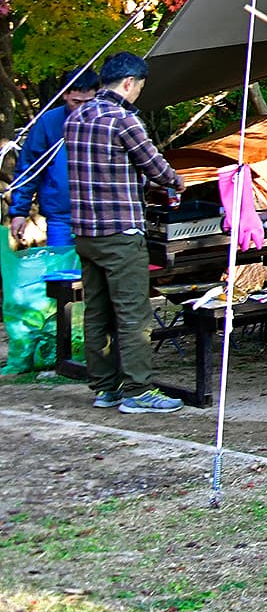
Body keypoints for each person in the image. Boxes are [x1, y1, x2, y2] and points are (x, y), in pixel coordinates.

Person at [65, 52, 184, 413]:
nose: (137, 95)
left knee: (96, 310)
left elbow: (106, 168)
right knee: (133, 314)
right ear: (129, 83)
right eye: (139, 88)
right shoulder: (123, 119)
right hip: (121, 231)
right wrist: (178, 184)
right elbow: (156, 166)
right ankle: (138, 390)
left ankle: (105, 387)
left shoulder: (76, 117)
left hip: (85, 231)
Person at [9, 68, 98, 258]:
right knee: (61, 276)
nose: (82, 108)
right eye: (77, 102)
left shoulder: (105, 120)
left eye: (88, 102)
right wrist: (18, 212)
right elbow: (29, 169)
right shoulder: (48, 123)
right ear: (65, 95)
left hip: (100, 216)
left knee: (98, 276)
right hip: (61, 216)